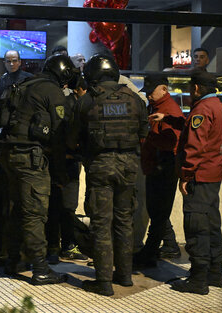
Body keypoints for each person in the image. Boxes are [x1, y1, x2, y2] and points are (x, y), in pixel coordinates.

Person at [67, 54, 148, 296]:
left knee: (102, 223)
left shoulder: (89, 100)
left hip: (101, 166)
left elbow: (72, 138)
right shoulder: (134, 98)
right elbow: (144, 131)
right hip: (129, 166)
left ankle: (103, 281)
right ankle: (124, 276)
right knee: (124, 220)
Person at [0, 54, 79, 285]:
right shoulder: (52, 91)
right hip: (31, 158)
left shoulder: (25, 84)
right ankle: (41, 268)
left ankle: (13, 260)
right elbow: (59, 134)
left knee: (17, 211)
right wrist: (61, 172)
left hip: (10, 154)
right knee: (35, 213)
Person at [171, 70, 222, 295]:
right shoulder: (218, 106)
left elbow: (195, 147)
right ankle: (216, 273)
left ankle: (198, 279)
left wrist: (186, 175)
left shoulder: (202, 109)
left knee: (197, 227)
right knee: (212, 225)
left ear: (196, 88)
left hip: (199, 176)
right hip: (213, 176)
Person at [133, 74, 184, 268]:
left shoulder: (170, 110)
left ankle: (150, 252)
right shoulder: (155, 107)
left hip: (163, 166)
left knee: (158, 210)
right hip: (155, 165)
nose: (148, 96)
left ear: (164, 89)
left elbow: (172, 142)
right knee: (157, 210)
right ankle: (168, 245)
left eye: (151, 92)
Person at [46, 74, 88, 264]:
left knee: (61, 207)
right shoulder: (72, 106)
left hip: (64, 162)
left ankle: (57, 247)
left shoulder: (70, 103)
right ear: (79, 89)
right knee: (64, 207)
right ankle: (64, 246)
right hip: (65, 163)